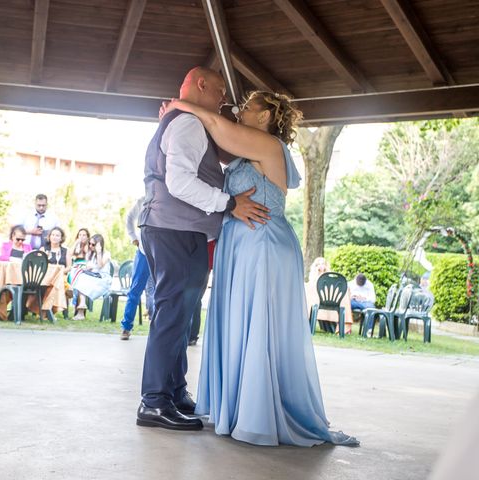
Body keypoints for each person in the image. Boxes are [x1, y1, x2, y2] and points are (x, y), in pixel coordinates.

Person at [163, 90, 358, 446]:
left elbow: (216, 126)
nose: (239, 111)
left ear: (266, 116)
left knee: (259, 324)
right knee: (240, 321)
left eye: (248, 107)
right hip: (241, 244)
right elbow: (217, 140)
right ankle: (237, 406)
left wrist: (180, 105)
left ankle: (259, 414)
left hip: (262, 242)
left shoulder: (267, 144)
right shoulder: (245, 150)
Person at [136, 67, 269, 432]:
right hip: (176, 230)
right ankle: (154, 402)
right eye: (221, 91)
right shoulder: (188, 124)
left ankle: (174, 392)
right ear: (201, 85)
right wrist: (229, 204)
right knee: (172, 315)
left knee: (179, 317)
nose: (224, 100)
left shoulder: (189, 122)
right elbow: (179, 182)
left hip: (176, 229)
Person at [120, 197, 155, 341]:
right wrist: (133, 237)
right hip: (143, 252)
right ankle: (126, 327)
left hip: (162, 253)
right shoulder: (142, 200)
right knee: (135, 290)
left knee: (158, 291)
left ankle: (156, 329)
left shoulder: (169, 197)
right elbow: (129, 218)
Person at [305, 257, 354, 334]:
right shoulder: (314, 281)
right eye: (318, 264)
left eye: (323, 264)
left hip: (321, 304)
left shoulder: (327, 279)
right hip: (333, 304)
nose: (321, 266)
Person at [70, 234, 112, 320]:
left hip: (102, 279)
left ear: (99, 245)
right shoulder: (90, 253)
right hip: (92, 278)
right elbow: (87, 266)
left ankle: (81, 309)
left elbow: (100, 266)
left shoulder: (106, 254)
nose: (90, 246)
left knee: (80, 280)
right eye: (90, 243)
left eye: (93, 244)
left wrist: (99, 252)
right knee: (79, 277)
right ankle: (81, 309)